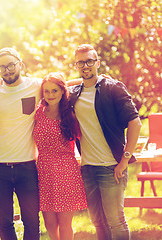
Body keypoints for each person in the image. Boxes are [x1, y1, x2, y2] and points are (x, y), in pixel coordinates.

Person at [69, 44, 142, 240]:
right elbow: (53, 85)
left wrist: (125, 160)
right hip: (88, 169)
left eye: (90, 61)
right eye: (81, 63)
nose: (85, 66)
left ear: (98, 63)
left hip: (112, 168)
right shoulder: (74, 93)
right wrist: (85, 77)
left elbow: (135, 123)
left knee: (116, 221)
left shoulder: (113, 88)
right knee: (97, 222)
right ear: (76, 65)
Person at [0, 47, 41, 240]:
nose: (7, 70)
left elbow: (63, 85)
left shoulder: (36, 85)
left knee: (32, 220)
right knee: (4, 222)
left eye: (11, 65)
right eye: (2, 67)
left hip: (27, 166)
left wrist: (99, 79)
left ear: (20, 63)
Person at [33, 72, 87, 240]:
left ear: (63, 91)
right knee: (49, 223)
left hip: (66, 172)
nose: (50, 95)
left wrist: (99, 78)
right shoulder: (38, 112)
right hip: (44, 171)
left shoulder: (70, 114)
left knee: (64, 224)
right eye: (47, 91)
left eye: (55, 91)